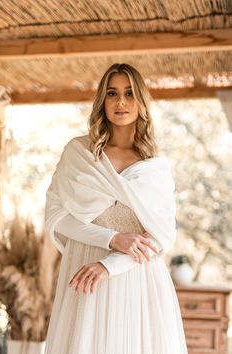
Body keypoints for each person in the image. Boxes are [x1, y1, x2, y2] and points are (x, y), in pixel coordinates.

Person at [44, 63, 188, 354]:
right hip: (85, 276)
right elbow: (56, 217)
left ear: (141, 102)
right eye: (112, 93)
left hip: (136, 280)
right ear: (102, 101)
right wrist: (111, 239)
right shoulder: (78, 154)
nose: (120, 101)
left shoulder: (155, 167)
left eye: (129, 93)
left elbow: (161, 238)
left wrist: (110, 265)